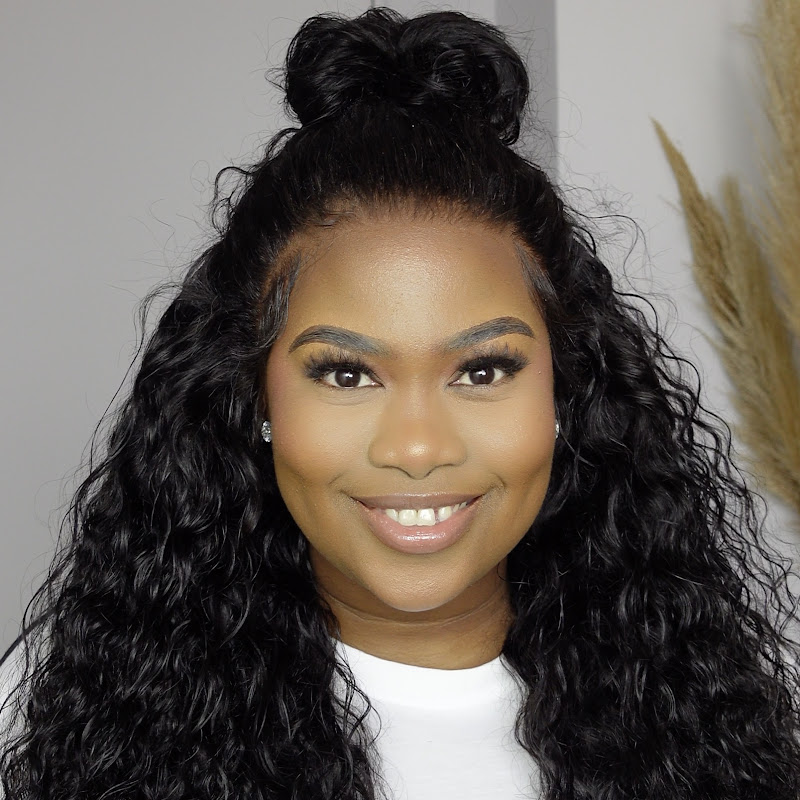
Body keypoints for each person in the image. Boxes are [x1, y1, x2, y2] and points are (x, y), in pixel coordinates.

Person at [1, 7, 799, 799]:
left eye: (482, 371)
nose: (417, 449)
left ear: (567, 392)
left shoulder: (730, 719)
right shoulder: (49, 723)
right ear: (252, 396)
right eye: (347, 375)